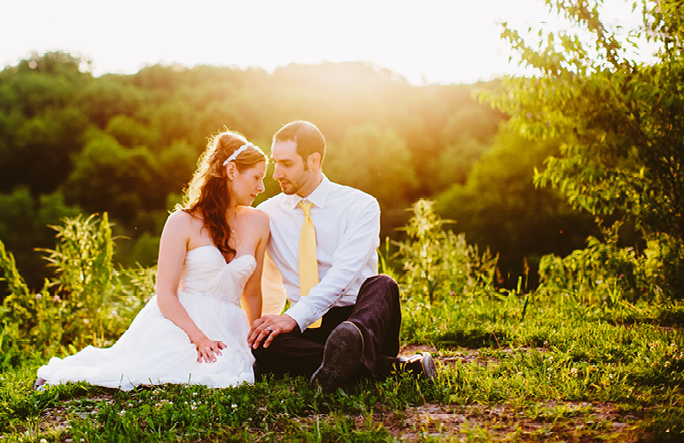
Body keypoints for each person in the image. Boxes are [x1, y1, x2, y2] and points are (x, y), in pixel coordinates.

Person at [35, 131, 269, 390]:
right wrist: (200, 339)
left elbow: (252, 292)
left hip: (231, 325)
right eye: (257, 177)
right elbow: (165, 295)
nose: (261, 188)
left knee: (226, 370)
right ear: (232, 171)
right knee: (164, 366)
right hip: (181, 322)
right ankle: (62, 373)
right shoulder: (182, 221)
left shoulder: (259, 222)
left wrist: (253, 345)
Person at [247, 120, 434, 391]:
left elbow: (343, 275)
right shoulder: (266, 214)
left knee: (383, 284)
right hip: (308, 326)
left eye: (286, 164)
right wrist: (271, 324)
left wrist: (293, 317)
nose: (276, 174)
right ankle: (391, 368)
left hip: (361, 319)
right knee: (263, 345)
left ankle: (347, 351)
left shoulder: (360, 206)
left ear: (313, 160)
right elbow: (262, 278)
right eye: (275, 163)